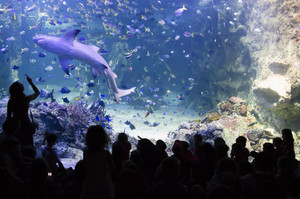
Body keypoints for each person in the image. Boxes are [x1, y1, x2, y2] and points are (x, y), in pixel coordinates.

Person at [81, 125, 115, 199]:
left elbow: (86, 167)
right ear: (104, 138)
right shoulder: (106, 153)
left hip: (90, 183)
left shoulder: (86, 153)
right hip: (104, 182)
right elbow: (113, 169)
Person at [7, 75, 40, 147]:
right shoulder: (26, 99)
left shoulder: (11, 101)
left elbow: (8, 116)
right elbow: (37, 92)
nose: (22, 84)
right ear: (19, 89)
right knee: (28, 144)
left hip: (15, 125)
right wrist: (30, 82)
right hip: (25, 123)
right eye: (20, 84)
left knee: (17, 145)